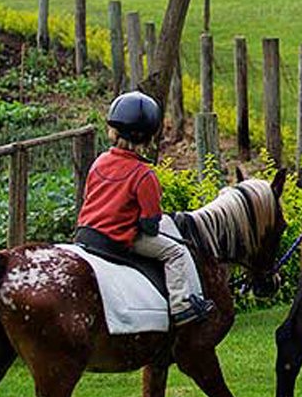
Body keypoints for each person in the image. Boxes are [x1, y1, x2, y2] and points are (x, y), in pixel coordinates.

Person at [75, 91, 216, 325]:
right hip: (117, 241)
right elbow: (150, 226)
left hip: (85, 234)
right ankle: (182, 306)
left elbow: (87, 198)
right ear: (149, 136)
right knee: (177, 251)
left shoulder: (99, 162)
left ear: (114, 129)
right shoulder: (144, 174)